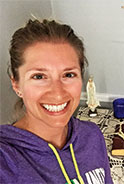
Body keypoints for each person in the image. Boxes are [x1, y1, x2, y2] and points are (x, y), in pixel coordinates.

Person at [0, 19, 113, 184]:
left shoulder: (92, 136)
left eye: (68, 75)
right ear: (16, 84)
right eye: (39, 76)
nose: (58, 94)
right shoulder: (6, 159)